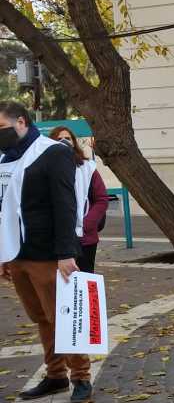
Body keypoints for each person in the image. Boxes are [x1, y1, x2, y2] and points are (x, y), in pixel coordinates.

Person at [0, 101, 92, 402]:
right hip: (17, 253)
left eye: (1, 128)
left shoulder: (53, 152)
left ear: (22, 122)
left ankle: (81, 377)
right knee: (40, 317)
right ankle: (55, 376)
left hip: (48, 254)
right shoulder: (4, 158)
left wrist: (66, 252)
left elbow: (66, 205)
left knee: (63, 317)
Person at [49, 127, 108, 274]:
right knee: (59, 285)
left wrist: (86, 224)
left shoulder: (88, 168)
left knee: (85, 281)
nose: (63, 141)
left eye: (67, 138)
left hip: (85, 238)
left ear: (74, 142)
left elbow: (101, 199)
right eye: (58, 139)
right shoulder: (44, 169)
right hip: (54, 239)